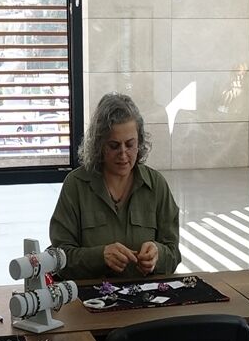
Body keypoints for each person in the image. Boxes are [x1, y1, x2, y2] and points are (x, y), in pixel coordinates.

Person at [49, 92, 181, 280]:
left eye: (130, 144)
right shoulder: (76, 185)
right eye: (114, 146)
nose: (123, 154)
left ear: (140, 142)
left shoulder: (156, 185)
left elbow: (173, 254)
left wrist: (157, 255)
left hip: (146, 294)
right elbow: (58, 258)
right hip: (91, 295)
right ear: (99, 145)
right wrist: (99, 257)